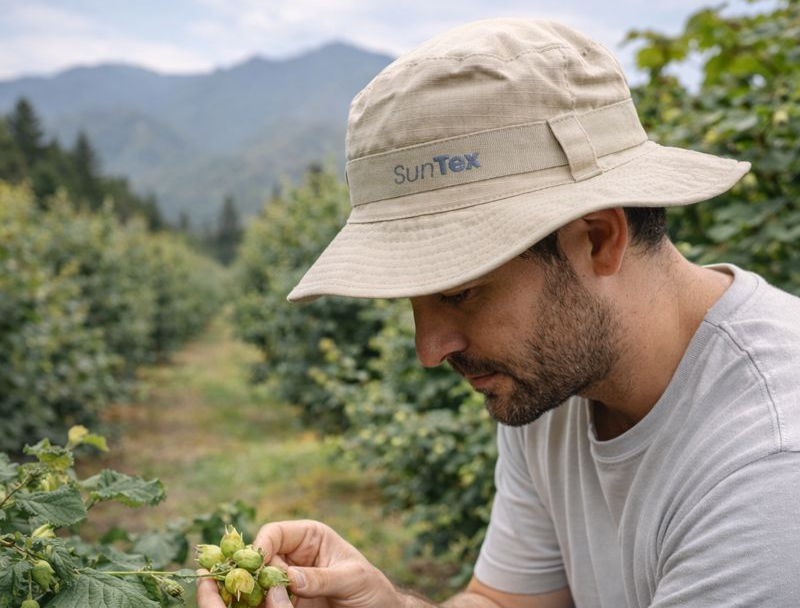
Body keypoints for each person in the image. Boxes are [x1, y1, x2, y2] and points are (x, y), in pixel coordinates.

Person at [198, 18, 800, 608]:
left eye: (460, 293)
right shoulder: (553, 382)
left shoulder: (770, 471)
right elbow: (507, 599)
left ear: (596, 240)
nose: (430, 349)